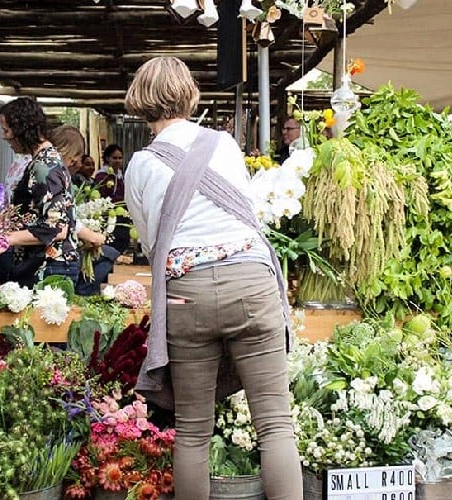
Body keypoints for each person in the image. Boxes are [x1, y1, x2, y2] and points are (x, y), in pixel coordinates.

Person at [123, 56, 302, 500]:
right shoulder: (223, 144)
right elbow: (247, 210)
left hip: (188, 297)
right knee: (276, 426)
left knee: (193, 431)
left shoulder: (140, 166)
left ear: (140, 101)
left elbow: (154, 245)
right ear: (189, 93)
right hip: (251, 283)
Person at [0, 97, 78, 287]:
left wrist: (7, 239)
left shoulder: (44, 166)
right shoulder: (42, 161)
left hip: (49, 269)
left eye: (7, 130)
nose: (4, 137)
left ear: (22, 129)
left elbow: (57, 228)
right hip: (43, 267)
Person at [49, 125, 121, 295]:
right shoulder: (54, 175)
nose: (79, 163)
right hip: (57, 257)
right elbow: (62, 219)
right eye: (79, 158)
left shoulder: (57, 174)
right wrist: (93, 236)